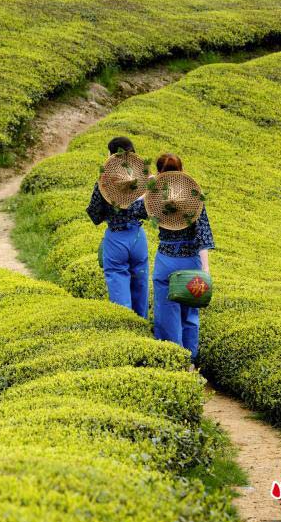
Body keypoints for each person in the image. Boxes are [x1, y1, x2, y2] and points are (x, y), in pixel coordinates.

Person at [148, 153, 214, 364]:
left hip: (166, 260)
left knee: (166, 313)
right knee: (190, 313)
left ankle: (172, 359)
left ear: (160, 173)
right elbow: (203, 235)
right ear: (182, 171)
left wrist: (149, 185)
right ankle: (189, 360)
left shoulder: (155, 197)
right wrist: (205, 271)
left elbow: (129, 208)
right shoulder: (194, 198)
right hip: (191, 262)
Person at [86, 137, 149, 318]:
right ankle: (142, 326)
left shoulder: (104, 182)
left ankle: (127, 330)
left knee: (117, 281)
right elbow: (148, 210)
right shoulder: (141, 179)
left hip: (116, 237)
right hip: (138, 236)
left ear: (110, 155)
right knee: (141, 284)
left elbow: (95, 214)